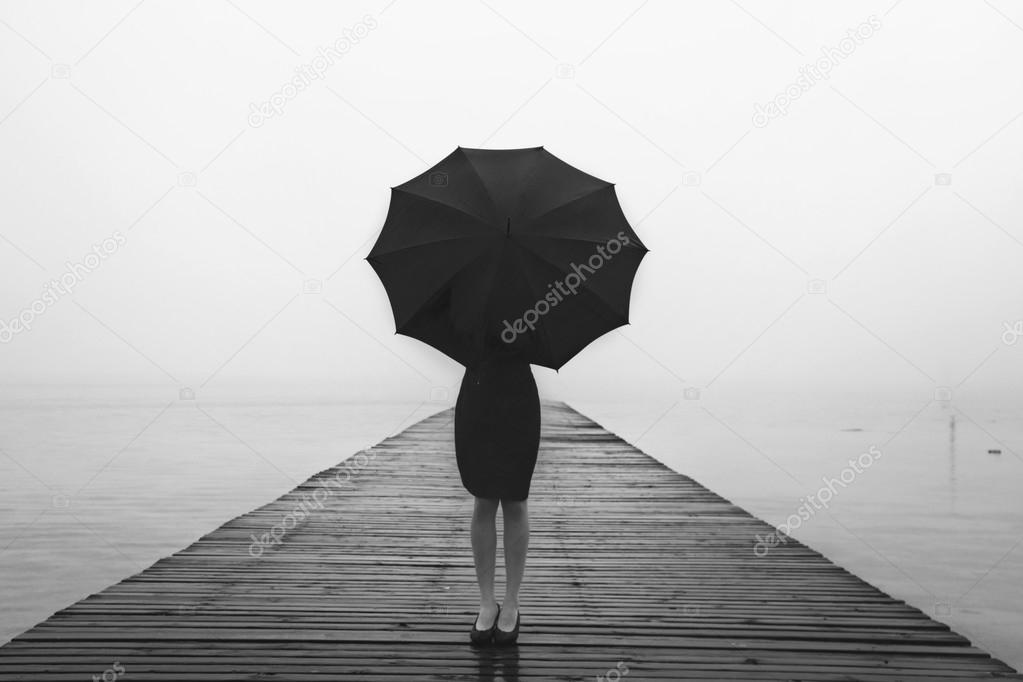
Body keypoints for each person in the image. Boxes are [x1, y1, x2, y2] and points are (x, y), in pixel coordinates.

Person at [454, 340, 540, 646]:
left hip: (519, 398)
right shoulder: (466, 293)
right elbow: (455, 337)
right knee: (484, 499)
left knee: (516, 500)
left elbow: (543, 343)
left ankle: (512, 603)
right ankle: (487, 602)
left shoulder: (538, 294)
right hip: (477, 394)